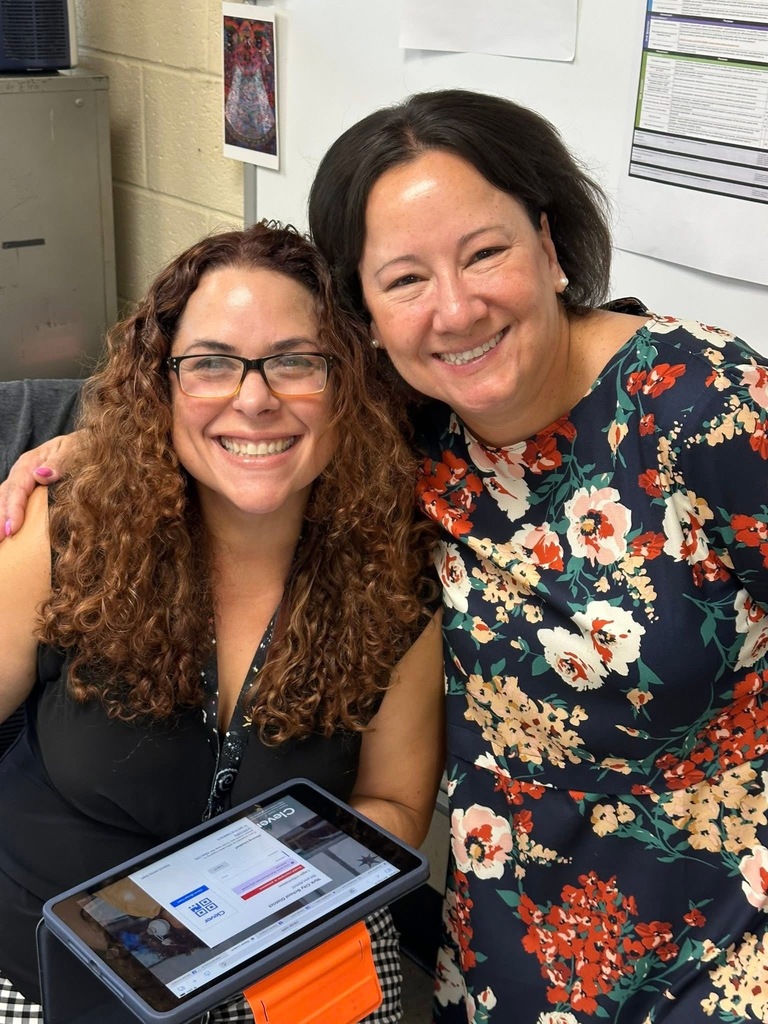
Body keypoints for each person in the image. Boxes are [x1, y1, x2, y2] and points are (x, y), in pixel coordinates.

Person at [5, 88, 768, 1023]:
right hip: (507, 948)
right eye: (404, 279)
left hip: (721, 937)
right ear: (366, 318)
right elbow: (242, 408)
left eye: (484, 252)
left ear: (550, 241)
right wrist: (101, 448)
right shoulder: (424, 419)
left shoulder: (701, 408)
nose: (453, 308)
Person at [0, 221, 444, 1023]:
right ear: (161, 386)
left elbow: (396, 807)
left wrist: (253, 894)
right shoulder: (66, 527)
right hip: (39, 962)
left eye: (296, 361)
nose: (254, 398)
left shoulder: (397, 580)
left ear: (347, 384)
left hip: (288, 964)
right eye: (210, 364)